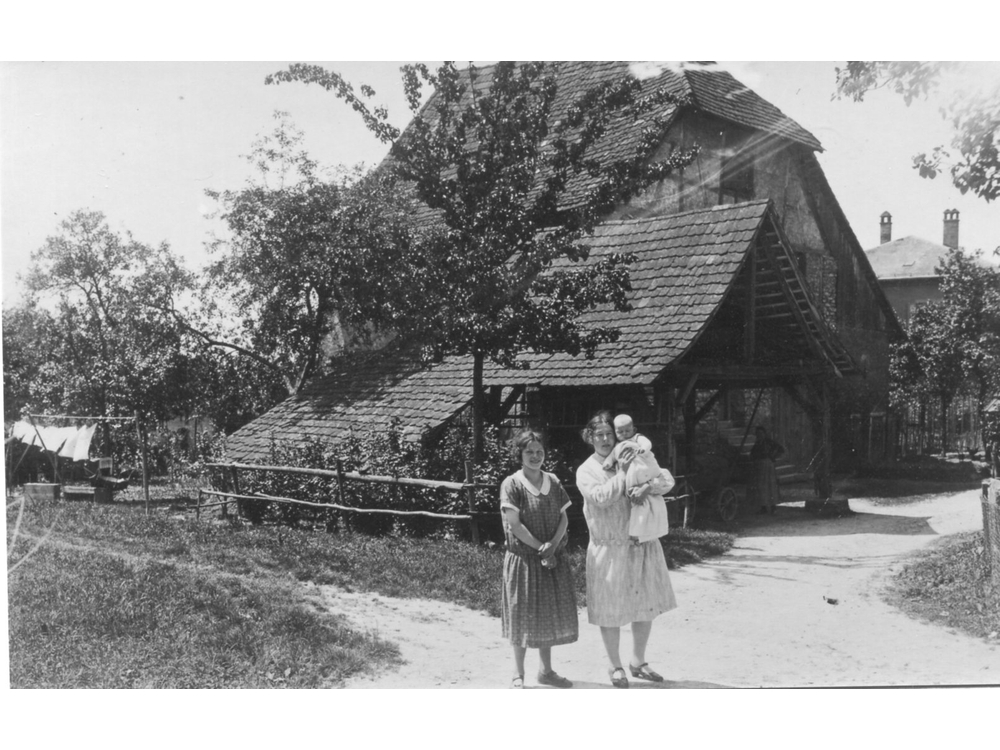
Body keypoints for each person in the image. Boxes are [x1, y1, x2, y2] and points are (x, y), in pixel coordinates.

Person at [575, 411, 677, 688]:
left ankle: (638, 661)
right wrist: (621, 471)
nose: (606, 439)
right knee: (611, 609)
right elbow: (600, 498)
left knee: (645, 606)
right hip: (609, 549)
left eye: (610, 434)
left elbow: (666, 479)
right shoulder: (587, 470)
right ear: (589, 437)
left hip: (641, 543)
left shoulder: (633, 452)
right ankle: (614, 665)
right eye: (600, 435)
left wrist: (648, 487)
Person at [500, 428, 578, 689]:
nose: (535, 456)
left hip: (550, 558)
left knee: (547, 614)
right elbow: (515, 525)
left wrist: (553, 545)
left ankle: (546, 671)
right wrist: (539, 546)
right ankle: (517, 672)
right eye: (529, 452)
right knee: (521, 613)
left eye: (539, 452)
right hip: (524, 559)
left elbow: (564, 516)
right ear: (519, 454)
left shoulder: (553, 481)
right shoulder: (512, 483)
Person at [603, 414, 674, 544]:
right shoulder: (618, 447)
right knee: (638, 503)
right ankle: (639, 534)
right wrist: (608, 462)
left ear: (634, 430)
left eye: (627, 431)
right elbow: (612, 456)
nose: (624, 434)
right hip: (632, 479)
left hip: (645, 470)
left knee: (647, 505)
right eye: (620, 432)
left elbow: (647, 443)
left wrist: (642, 449)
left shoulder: (637, 438)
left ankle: (648, 532)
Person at [749, 425, 785, 514]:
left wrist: (773, 456)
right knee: (761, 486)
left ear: (764, 434)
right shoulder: (757, 443)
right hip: (759, 467)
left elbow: (781, 449)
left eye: (761, 433)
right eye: (757, 434)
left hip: (768, 466)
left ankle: (773, 507)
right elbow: (752, 454)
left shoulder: (769, 442)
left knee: (770, 486)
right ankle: (763, 507)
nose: (759, 435)